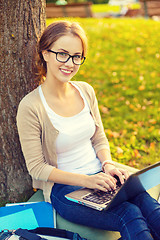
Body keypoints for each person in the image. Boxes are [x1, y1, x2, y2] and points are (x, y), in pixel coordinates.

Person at [17, 20, 160, 240]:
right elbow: (37, 168)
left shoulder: (85, 90)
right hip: (66, 189)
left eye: (77, 56)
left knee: (150, 207)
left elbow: (99, 138)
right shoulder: (31, 106)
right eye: (62, 54)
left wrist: (107, 164)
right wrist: (86, 181)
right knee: (128, 214)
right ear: (45, 53)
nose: (70, 63)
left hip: (101, 177)